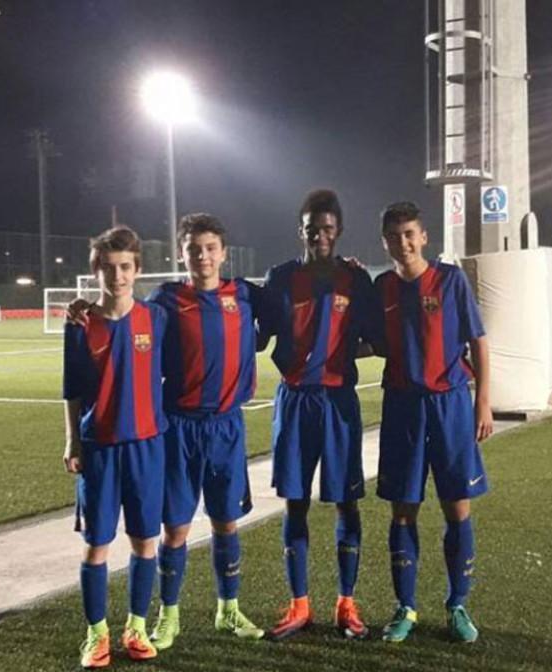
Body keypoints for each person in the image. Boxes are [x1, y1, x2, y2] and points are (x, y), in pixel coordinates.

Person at [258, 189, 380, 641]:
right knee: (296, 500)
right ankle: (300, 605)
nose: (320, 235)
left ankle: (346, 604)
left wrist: (344, 352)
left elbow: (380, 338)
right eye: (312, 227)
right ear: (301, 230)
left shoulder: (356, 280)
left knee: (347, 500)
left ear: (339, 231)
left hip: (337, 402)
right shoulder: (281, 278)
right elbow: (257, 331)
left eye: (328, 227)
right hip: (293, 401)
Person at [371, 202, 493, 643]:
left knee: (457, 506)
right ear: (384, 243)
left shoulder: (450, 280)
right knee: (403, 510)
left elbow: (478, 342)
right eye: (394, 236)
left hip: (451, 405)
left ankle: (457, 604)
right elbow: (367, 339)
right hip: (402, 407)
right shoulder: (380, 287)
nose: (403, 243)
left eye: (410, 234)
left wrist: (483, 404)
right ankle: (406, 608)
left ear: (423, 237)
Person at [144, 213, 265, 648]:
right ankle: (168, 616)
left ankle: (227, 610)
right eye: (194, 249)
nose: (203, 256)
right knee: (175, 528)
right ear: (182, 254)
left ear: (223, 252)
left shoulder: (245, 295)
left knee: (225, 522)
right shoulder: (167, 300)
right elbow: (132, 327)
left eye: (210, 248)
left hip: (227, 427)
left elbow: (293, 303)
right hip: (180, 427)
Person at [63, 226, 168, 669]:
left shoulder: (156, 318)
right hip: (99, 447)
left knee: (146, 541)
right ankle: (96, 634)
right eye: (109, 268)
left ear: (137, 270)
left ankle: (137, 627)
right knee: (96, 545)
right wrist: (71, 439)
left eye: (126, 267)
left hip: (147, 445)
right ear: (96, 271)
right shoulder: (81, 324)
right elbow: (72, 389)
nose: (118, 275)